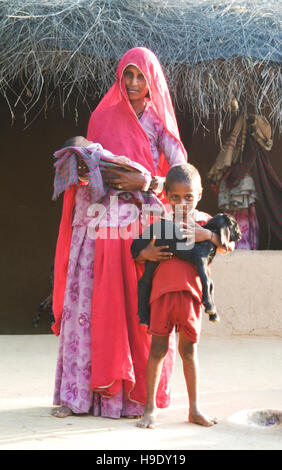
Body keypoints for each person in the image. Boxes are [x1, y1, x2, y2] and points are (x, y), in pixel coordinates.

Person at [51, 47, 190, 419]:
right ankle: (83, 396)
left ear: (151, 82)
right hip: (98, 218)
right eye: (127, 75)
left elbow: (183, 175)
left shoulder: (159, 125)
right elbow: (88, 168)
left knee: (138, 302)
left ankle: (134, 396)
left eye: (140, 76)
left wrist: (148, 180)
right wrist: (84, 174)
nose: (132, 83)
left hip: (140, 217)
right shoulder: (102, 116)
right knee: (89, 302)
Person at [134, 163, 234, 429]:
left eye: (188, 197)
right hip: (162, 295)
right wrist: (146, 255)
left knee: (189, 351)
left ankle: (194, 408)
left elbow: (229, 245)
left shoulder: (205, 222)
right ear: (166, 196)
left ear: (199, 195)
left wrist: (208, 235)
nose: (182, 203)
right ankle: (150, 408)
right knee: (158, 350)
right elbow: (136, 249)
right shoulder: (161, 225)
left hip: (191, 297)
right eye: (175, 197)